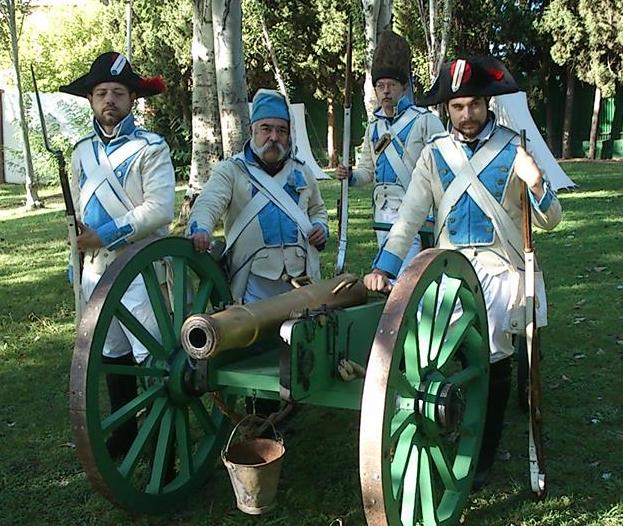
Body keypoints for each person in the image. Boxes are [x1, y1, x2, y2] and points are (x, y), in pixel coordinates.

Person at [362, 56, 562, 488]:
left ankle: (482, 453)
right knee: (429, 349)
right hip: (448, 268)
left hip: (500, 266)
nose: (466, 114)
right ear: (446, 109)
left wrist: (536, 182)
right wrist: (384, 265)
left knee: (492, 351)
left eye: (473, 105)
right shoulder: (434, 155)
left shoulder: (514, 148)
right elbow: (408, 219)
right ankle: (447, 421)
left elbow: (552, 220)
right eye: (457, 107)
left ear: (487, 105)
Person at [60, 52, 175, 457]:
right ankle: (125, 432)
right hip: (96, 270)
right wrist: (75, 261)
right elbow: (77, 216)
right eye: (102, 93)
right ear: (91, 99)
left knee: (153, 358)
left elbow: (159, 209)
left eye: (118, 92)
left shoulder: (151, 147)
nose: (110, 99)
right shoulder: (81, 152)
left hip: (141, 270)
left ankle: (165, 446)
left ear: (132, 99)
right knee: (111, 352)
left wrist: (104, 236)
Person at [187, 89, 329, 305]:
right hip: (253, 282)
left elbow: (317, 210)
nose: (274, 137)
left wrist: (320, 227)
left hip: (301, 279)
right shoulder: (231, 170)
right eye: (266, 129)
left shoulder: (302, 170)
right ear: (252, 130)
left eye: (281, 130)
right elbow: (209, 202)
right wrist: (201, 228)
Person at [336, 31, 444, 274]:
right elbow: (367, 170)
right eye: (380, 86)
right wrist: (350, 175)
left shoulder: (424, 121)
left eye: (391, 85)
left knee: (407, 278)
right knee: (389, 276)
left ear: (403, 88)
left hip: (414, 212)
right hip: (382, 213)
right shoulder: (374, 126)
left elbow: (444, 166)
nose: (385, 91)